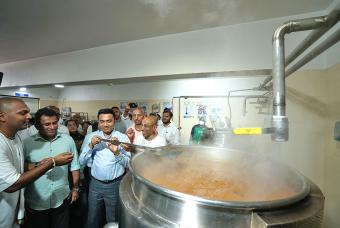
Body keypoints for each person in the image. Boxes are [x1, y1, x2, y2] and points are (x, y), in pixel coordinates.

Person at [0, 97, 73, 228]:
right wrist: (51, 162)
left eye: (28, 112)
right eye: (22, 113)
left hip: (16, 211)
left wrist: (37, 165)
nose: (29, 116)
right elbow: (11, 185)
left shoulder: (15, 136)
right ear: (2, 116)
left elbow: (19, 165)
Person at [23, 107, 80, 228]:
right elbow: (20, 167)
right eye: (47, 124)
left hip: (62, 197)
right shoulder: (27, 143)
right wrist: (39, 165)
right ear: (37, 126)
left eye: (55, 123)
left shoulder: (68, 140)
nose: (52, 127)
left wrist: (75, 188)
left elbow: (74, 166)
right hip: (37, 199)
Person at [79, 108, 130, 228]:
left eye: (109, 121)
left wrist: (116, 152)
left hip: (115, 185)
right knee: (92, 217)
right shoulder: (91, 137)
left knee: (113, 219)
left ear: (114, 121)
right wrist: (91, 145)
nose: (105, 124)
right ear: (98, 122)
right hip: (95, 185)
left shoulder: (122, 138)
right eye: (102, 121)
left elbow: (128, 164)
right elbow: (81, 161)